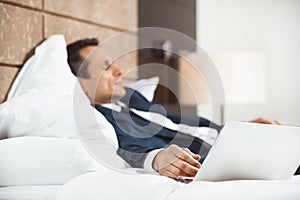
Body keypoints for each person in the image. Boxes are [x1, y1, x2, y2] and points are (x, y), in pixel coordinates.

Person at [67, 38, 294, 179]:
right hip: (215, 159)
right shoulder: (99, 120)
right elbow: (126, 149)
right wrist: (157, 159)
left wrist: (239, 129)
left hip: (229, 142)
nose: (119, 71)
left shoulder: (132, 98)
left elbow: (179, 124)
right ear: (79, 82)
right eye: (106, 66)